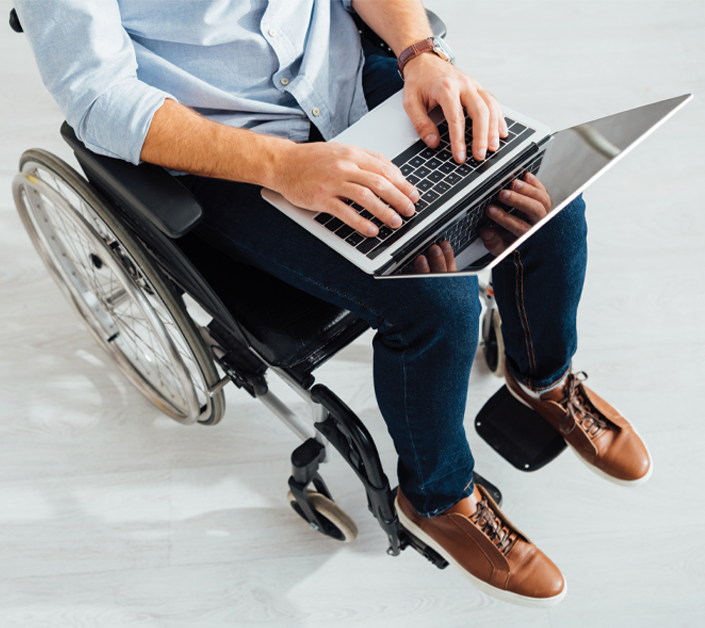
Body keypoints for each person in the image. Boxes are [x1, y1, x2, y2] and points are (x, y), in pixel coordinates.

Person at [15, 0, 651, 607]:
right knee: (437, 304)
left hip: (346, 81)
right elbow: (98, 100)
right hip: (235, 152)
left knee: (549, 207)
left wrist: (421, 53)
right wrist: (284, 165)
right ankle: (436, 498)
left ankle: (545, 379)